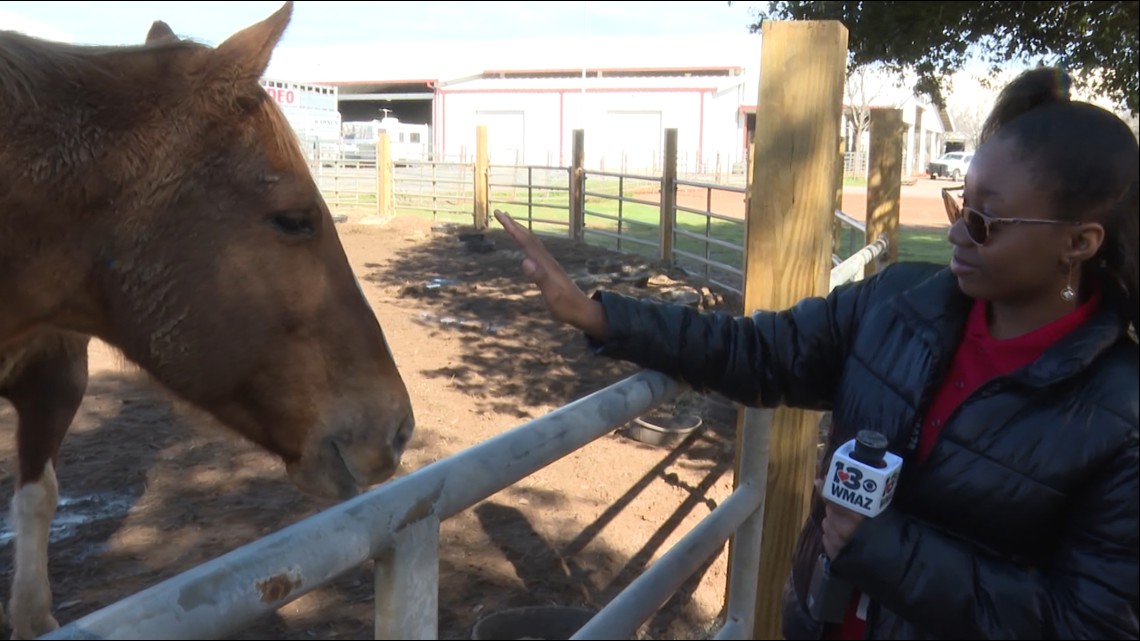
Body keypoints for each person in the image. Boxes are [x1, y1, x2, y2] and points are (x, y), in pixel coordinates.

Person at [493, 66, 1139, 639]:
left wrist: (887, 551)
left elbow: (1091, 620)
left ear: (1078, 242)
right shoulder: (896, 302)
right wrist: (600, 315)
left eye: (985, 221)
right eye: (959, 204)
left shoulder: (1121, 413)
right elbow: (757, 352)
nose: (954, 232)